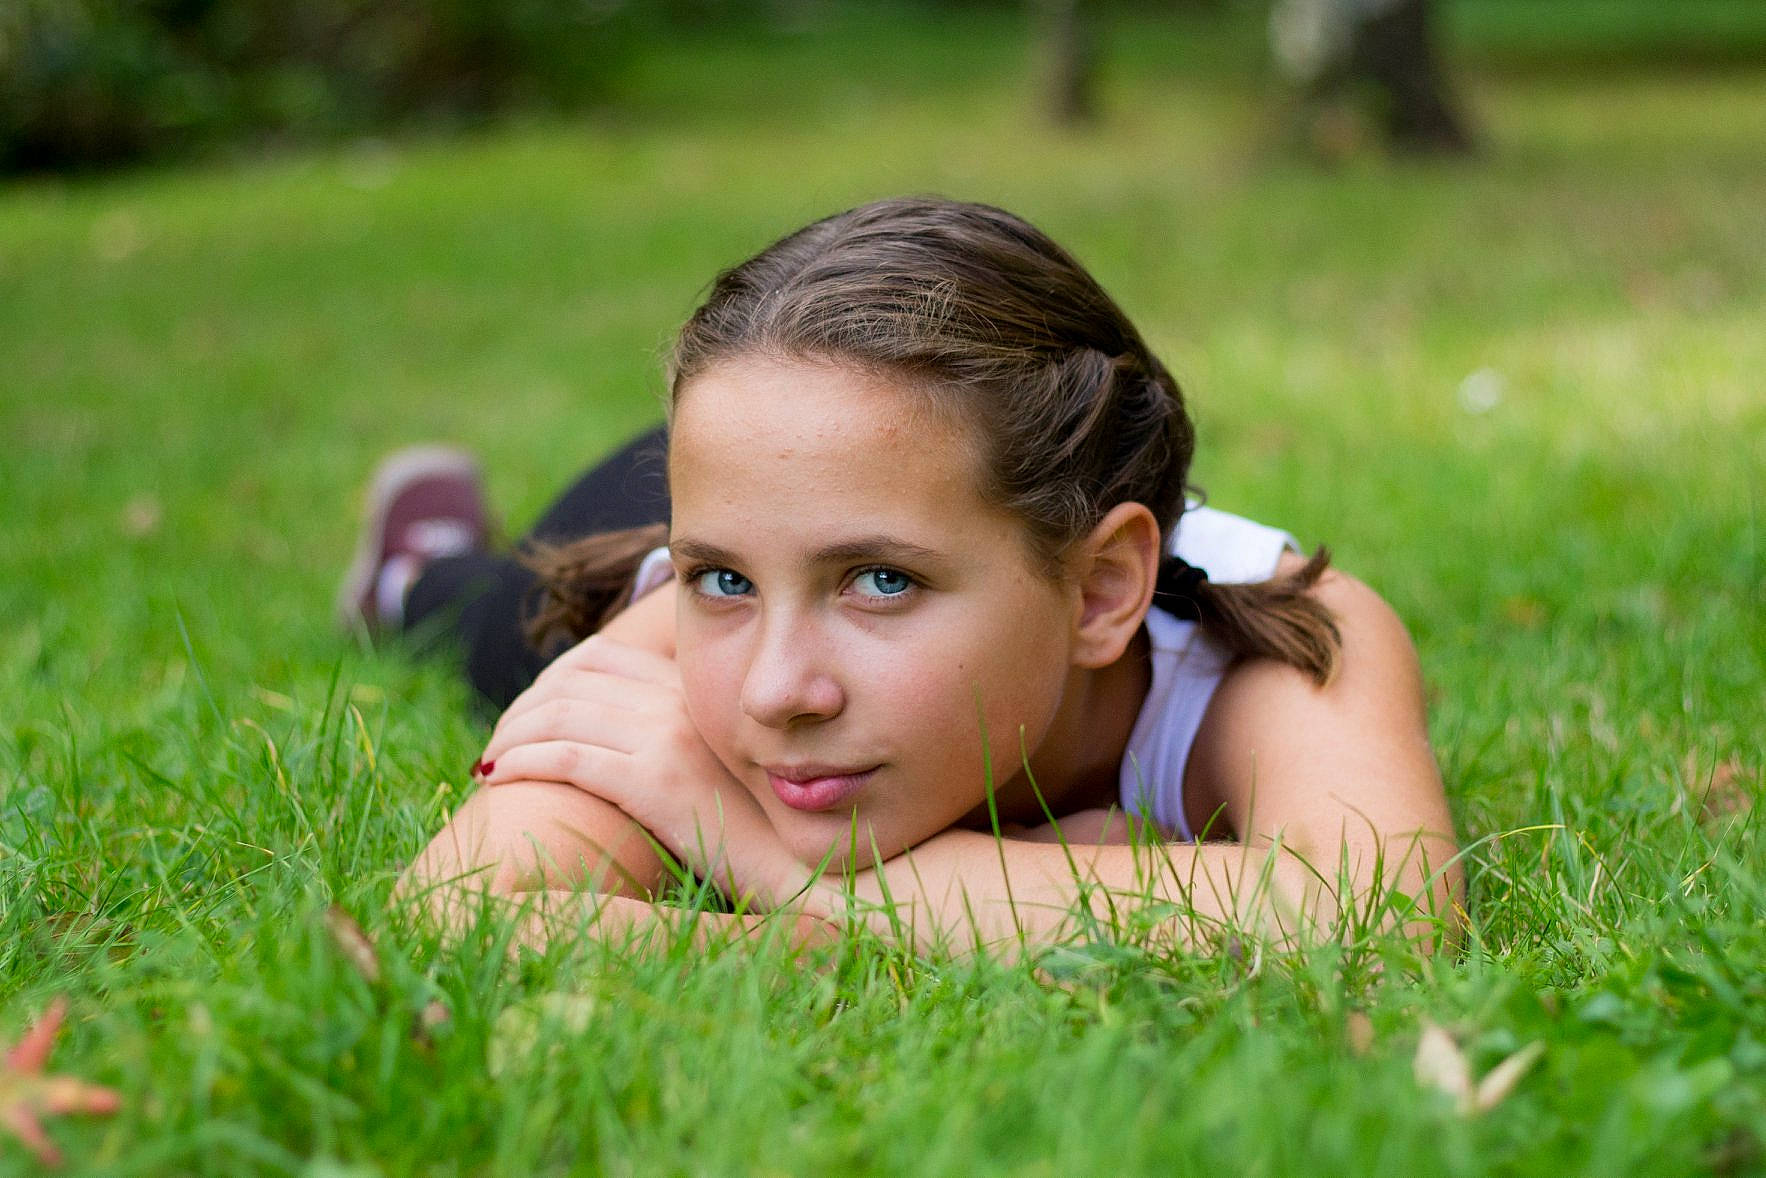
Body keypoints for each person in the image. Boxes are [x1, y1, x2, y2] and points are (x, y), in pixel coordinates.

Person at [345, 197, 1461, 956]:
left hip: (848, 467)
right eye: (722, 583)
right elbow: (457, 912)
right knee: (470, 620)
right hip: (629, 529)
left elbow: (1381, 920)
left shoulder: (1278, 633)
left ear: (1100, 589)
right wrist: (1014, 895)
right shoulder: (671, 641)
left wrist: (759, 859)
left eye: (880, 583)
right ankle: (414, 563)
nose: (776, 691)